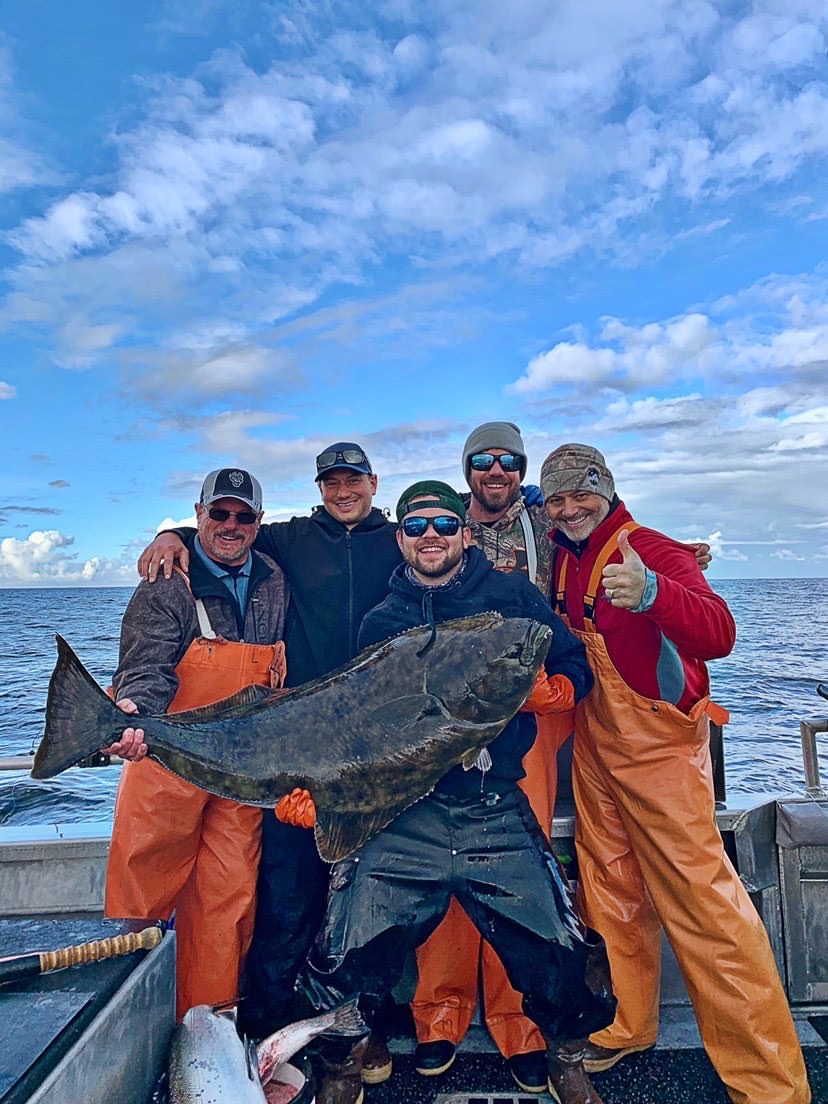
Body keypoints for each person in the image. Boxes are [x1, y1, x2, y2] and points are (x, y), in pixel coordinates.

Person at [288, 480, 616, 1104]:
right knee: (341, 950)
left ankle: (568, 1057)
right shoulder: (381, 622)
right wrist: (322, 791)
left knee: (563, 943)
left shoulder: (512, 596)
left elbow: (573, 658)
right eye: (416, 527)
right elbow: (360, 733)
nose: (430, 536)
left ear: (465, 532)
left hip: (493, 806)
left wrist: (563, 690)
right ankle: (341, 1066)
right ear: (401, 540)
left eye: (442, 524)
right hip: (403, 813)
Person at [540, 443, 811, 1104]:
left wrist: (656, 591)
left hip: (661, 756)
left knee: (705, 909)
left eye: (582, 493)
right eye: (557, 497)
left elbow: (719, 632)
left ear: (608, 490)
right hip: (598, 746)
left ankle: (771, 1083)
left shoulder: (655, 552)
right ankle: (629, 1022)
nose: (570, 506)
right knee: (610, 886)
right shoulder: (564, 555)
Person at [135, 444, 400, 1081]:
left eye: (353, 480)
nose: (343, 491)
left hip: (377, 747)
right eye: (331, 481)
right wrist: (167, 534)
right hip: (291, 750)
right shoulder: (288, 539)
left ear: (372, 483)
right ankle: (273, 1021)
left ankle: (372, 1027)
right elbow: (216, 540)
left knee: (381, 890)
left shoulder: (402, 539)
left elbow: (453, 546)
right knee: (287, 894)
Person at [410, 422, 571, 1094]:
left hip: (524, 723)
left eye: (508, 461)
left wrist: (678, 558)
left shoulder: (547, 518)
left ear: (521, 468)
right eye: (483, 461)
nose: (495, 470)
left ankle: (520, 1022)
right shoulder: (440, 526)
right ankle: (439, 1014)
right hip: (449, 725)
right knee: (442, 863)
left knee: (519, 873)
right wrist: (175, 539)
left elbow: (602, 517)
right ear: (467, 470)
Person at [103, 468, 288, 1021]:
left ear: (258, 522)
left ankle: (208, 1030)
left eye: (243, 516)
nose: (231, 526)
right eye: (219, 513)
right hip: (165, 764)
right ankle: (127, 1030)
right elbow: (145, 664)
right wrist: (136, 710)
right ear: (198, 513)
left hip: (240, 771)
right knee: (143, 899)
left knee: (229, 903)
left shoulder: (275, 579)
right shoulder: (167, 582)